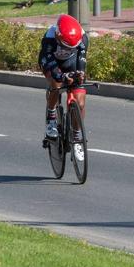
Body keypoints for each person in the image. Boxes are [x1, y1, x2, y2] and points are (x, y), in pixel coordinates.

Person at [38, 14, 88, 161]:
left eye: (71, 47)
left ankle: (77, 137)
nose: (68, 49)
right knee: (56, 84)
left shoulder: (83, 38)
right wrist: (60, 76)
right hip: (52, 63)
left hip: (71, 62)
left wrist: (80, 74)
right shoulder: (49, 37)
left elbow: (81, 59)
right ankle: (51, 117)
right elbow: (49, 63)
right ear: (58, 37)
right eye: (66, 46)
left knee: (80, 101)